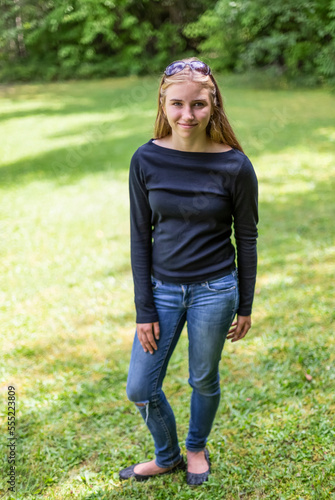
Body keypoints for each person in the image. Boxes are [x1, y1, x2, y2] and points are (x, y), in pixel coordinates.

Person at [119, 58, 258, 486]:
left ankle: (195, 448)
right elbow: (140, 237)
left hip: (215, 290)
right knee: (140, 388)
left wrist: (245, 304)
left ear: (213, 105)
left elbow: (247, 239)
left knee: (203, 377)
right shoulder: (145, 159)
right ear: (163, 103)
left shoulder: (236, 166)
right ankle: (167, 455)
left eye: (198, 104)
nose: (187, 115)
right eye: (177, 104)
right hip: (161, 292)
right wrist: (145, 309)